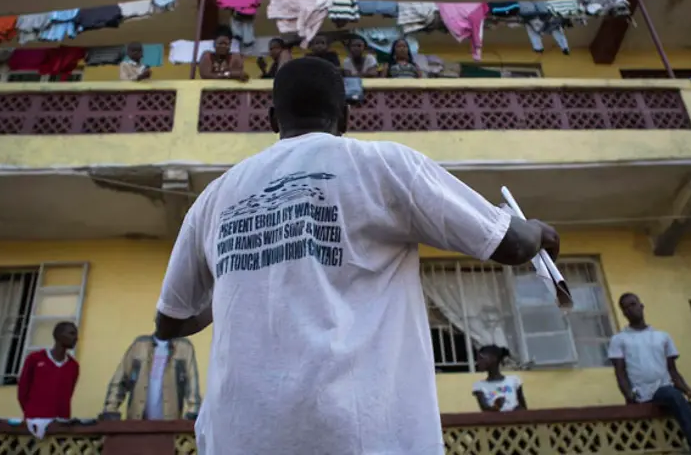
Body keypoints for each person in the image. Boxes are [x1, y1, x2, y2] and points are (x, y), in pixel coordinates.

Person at [155, 56, 560, 455]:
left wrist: (237, 279)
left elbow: (170, 322)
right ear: (345, 117)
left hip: (238, 436)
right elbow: (512, 245)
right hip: (361, 433)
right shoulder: (384, 165)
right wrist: (539, 229)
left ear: (273, 119)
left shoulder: (214, 199)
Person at [609, 294, 691, 455]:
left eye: (633, 304)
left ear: (641, 306)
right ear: (623, 313)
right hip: (639, 394)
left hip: (663, 390)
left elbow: (673, 371)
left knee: (673, 395)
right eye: (626, 307)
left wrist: (688, 391)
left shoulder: (662, 337)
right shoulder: (618, 339)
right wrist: (629, 395)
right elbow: (620, 373)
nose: (630, 309)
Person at [101, 334, 202, 421]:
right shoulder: (139, 345)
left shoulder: (184, 347)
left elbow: (192, 384)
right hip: (136, 423)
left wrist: (193, 412)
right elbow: (119, 380)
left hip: (170, 426)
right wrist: (111, 409)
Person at [17, 322, 80, 419]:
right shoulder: (35, 359)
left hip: (61, 422)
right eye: (72, 333)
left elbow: (68, 394)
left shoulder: (73, 366)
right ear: (58, 335)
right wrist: (31, 412)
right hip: (35, 421)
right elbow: (23, 391)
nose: (76, 338)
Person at [473, 345, 526, 412]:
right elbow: (485, 410)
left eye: (481, 358)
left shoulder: (514, 380)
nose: (478, 362)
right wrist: (496, 406)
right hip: (496, 421)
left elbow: (523, 407)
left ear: (493, 358)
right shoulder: (479, 385)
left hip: (515, 420)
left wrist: (518, 409)